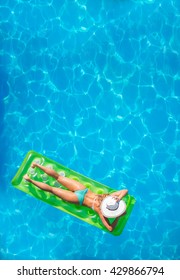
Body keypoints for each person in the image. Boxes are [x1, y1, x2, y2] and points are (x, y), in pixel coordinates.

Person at [24, 163, 128, 232]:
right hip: (78, 199)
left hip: (83, 190)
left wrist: (118, 198)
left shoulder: (109, 197)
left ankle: (36, 164)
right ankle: (29, 180)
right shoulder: (101, 212)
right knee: (52, 190)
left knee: (58, 177)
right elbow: (110, 228)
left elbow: (125, 191)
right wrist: (118, 216)